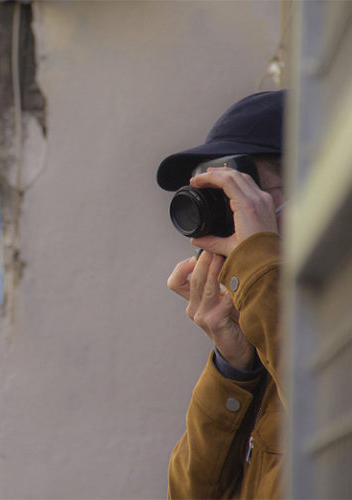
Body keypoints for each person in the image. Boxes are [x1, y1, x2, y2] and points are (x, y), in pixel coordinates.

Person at [156, 90, 287, 499]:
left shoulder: (317, 333)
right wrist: (234, 367)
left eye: (242, 191)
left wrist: (260, 270)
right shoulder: (271, 337)